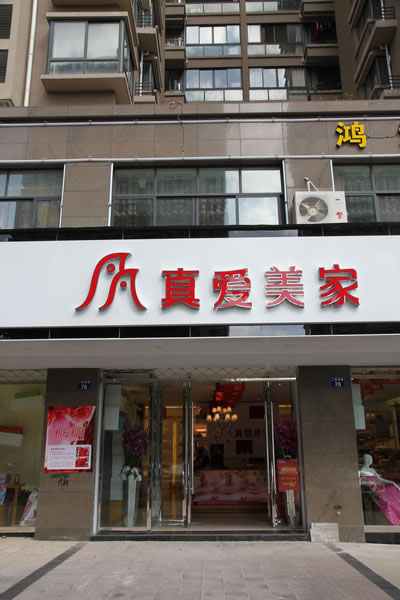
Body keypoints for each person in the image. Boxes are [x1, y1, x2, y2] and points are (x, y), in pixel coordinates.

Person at [359, 453, 400, 525]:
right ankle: (394, 516)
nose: (372, 461)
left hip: (377, 487)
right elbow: (363, 482)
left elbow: (380, 479)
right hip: (374, 490)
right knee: (388, 500)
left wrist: (392, 482)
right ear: (367, 460)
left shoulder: (372, 469)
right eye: (371, 459)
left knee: (394, 490)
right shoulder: (363, 470)